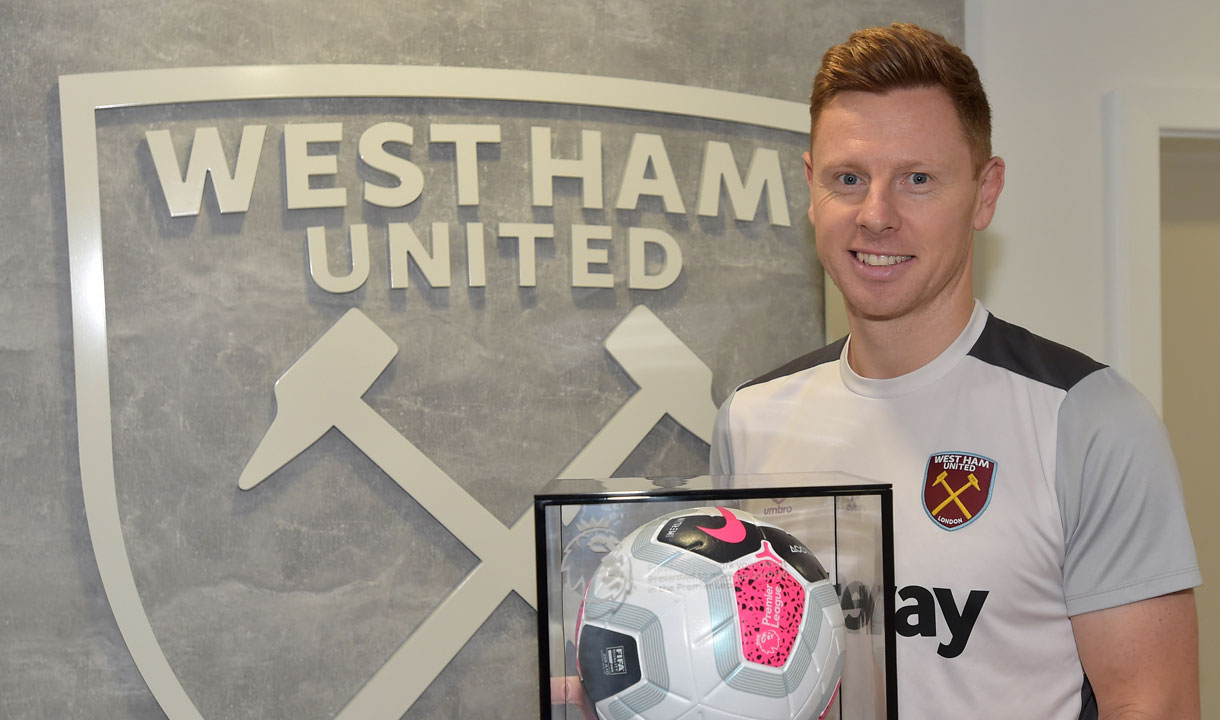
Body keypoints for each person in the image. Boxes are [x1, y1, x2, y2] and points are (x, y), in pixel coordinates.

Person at [710, 22, 1201, 720]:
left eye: (917, 180)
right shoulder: (749, 421)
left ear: (984, 192)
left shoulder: (1087, 420)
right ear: (811, 187)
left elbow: (1156, 706)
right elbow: (747, 678)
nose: (876, 216)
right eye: (848, 178)